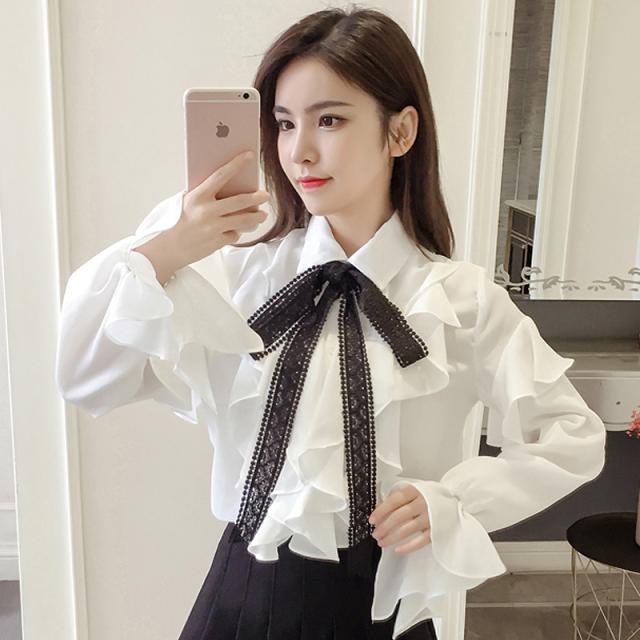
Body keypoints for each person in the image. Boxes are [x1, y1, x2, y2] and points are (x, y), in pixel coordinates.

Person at [55, 5, 607, 640]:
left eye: (330, 120)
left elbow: (572, 435)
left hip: (382, 602)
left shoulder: (459, 300)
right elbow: (84, 376)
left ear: (401, 132)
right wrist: (168, 248)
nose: (300, 151)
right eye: (285, 124)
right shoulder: (235, 276)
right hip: (244, 591)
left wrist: (455, 500)